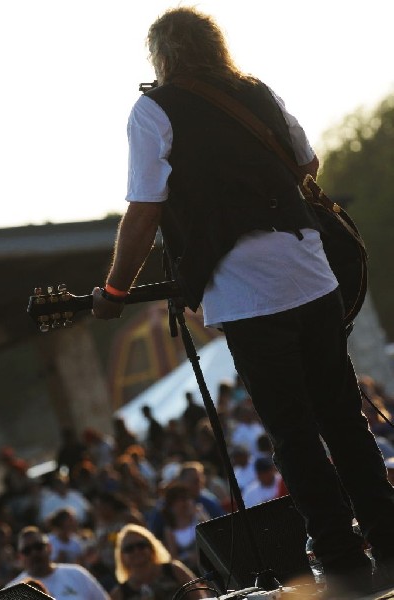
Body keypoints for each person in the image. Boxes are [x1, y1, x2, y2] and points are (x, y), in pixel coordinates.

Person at [92, 6, 394, 597]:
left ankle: (342, 563)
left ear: (161, 56)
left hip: (248, 291)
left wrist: (114, 289)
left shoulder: (153, 109)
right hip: (311, 274)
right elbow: (307, 160)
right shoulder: (256, 92)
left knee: (294, 434)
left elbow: (144, 208)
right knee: (345, 422)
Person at [7, 526, 109, 600]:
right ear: (20, 557)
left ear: (50, 548)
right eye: (27, 550)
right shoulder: (13, 591)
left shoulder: (77, 574)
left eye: (38, 547)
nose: (34, 553)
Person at [110, 523, 206, 599]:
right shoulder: (119, 594)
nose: (136, 551)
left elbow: (199, 597)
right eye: (129, 548)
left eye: (141, 545)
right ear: (121, 557)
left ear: (151, 548)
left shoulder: (174, 571)